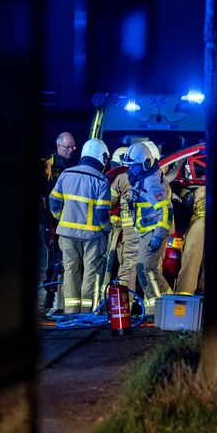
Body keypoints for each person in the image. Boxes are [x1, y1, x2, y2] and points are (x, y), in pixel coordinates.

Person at [49, 138, 111, 314]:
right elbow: (101, 213)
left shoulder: (66, 174)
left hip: (67, 235)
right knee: (91, 273)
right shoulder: (101, 180)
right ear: (102, 158)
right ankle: (87, 313)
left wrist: (61, 219)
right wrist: (107, 229)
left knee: (70, 271)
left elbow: (54, 202)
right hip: (92, 236)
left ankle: (70, 311)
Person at [123, 141, 173, 316]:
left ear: (145, 163)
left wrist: (158, 236)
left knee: (147, 269)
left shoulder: (151, 183)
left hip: (154, 231)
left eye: (135, 166)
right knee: (145, 269)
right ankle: (157, 309)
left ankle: (165, 307)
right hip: (147, 231)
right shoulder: (145, 177)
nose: (132, 170)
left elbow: (166, 211)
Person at [40, 132, 77, 309]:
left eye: (73, 147)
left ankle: (62, 297)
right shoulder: (47, 165)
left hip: (67, 218)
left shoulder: (72, 166)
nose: (71, 150)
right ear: (58, 146)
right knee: (53, 255)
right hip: (49, 218)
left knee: (65, 257)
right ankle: (50, 294)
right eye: (67, 147)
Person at [103, 147, 139, 296]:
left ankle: (110, 303)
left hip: (118, 231)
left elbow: (108, 203)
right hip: (134, 231)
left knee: (112, 268)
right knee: (131, 267)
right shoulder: (146, 178)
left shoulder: (119, 179)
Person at [174, 186, 205, 294]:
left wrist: (178, 189)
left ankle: (184, 297)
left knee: (191, 260)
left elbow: (189, 199)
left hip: (200, 225)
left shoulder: (200, 191)